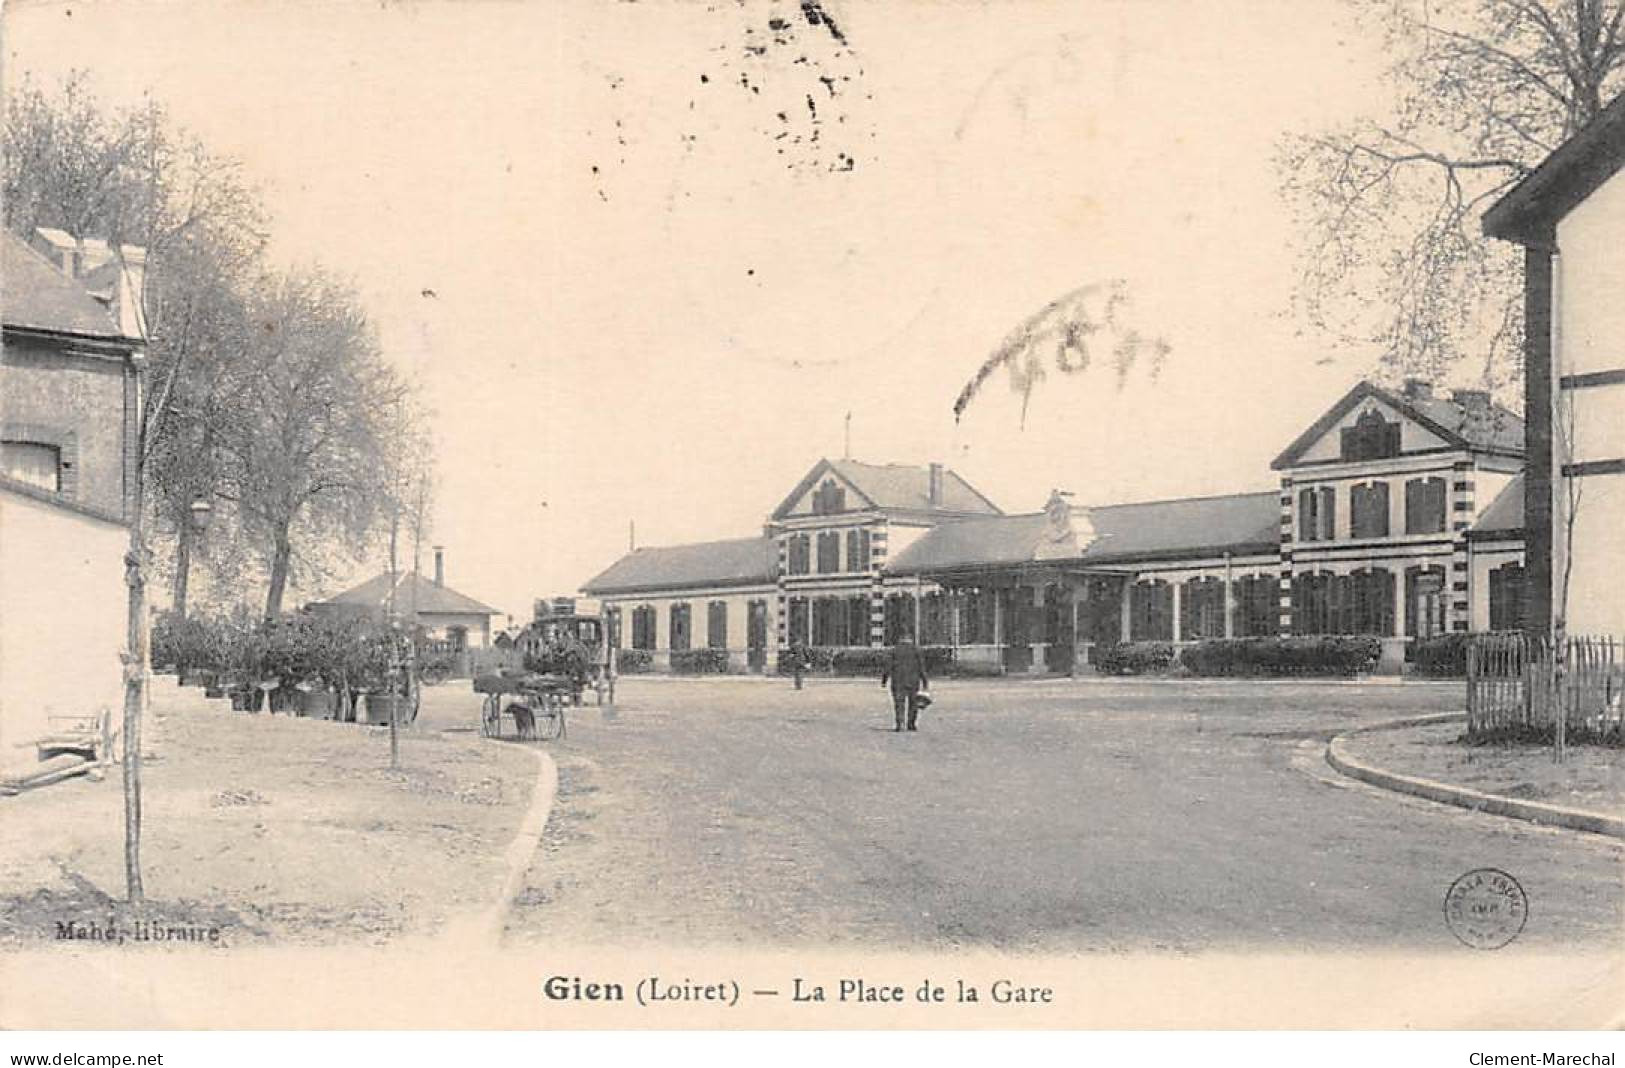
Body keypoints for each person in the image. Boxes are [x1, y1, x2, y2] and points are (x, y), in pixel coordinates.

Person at [880, 634, 929, 732]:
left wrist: (884, 679)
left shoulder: (894, 650)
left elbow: (888, 666)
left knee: (899, 703)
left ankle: (900, 723)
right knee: (913, 703)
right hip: (913, 680)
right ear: (911, 639)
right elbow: (921, 667)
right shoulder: (916, 650)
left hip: (898, 681)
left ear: (900, 639)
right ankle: (911, 724)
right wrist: (925, 681)